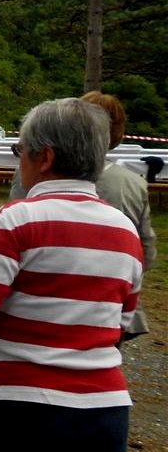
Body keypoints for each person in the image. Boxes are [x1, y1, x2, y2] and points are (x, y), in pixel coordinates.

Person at [0, 98, 143, 452]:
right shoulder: (124, 230)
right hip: (102, 410)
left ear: (44, 157)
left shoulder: (17, 218)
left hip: (15, 407)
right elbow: (120, 320)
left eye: (20, 150)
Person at [9, 91, 155, 340]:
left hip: (37, 303)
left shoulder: (35, 172)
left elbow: (13, 233)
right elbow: (146, 250)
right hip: (107, 307)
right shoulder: (133, 183)